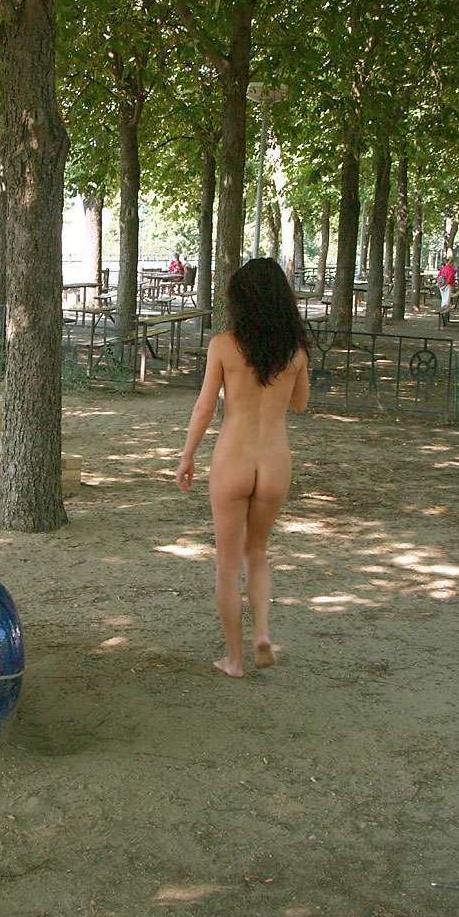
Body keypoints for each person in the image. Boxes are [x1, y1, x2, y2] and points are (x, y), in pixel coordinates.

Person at [175, 258, 310, 677]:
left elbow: (204, 407)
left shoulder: (223, 345)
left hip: (232, 459)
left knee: (227, 563)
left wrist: (187, 454)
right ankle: (262, 633)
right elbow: (300, 403)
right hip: (274, 461)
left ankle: (234, 659)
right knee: (258, 552)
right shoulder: (295, 352)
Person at [437, 252, 455, 325]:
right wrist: (446, 285)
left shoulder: (443, 268)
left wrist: (440, 285)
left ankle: (443, 315)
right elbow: (450, 278)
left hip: (441, 285)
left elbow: (438, 277)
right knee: (447, 302)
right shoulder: (450, 269)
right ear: (451, 262)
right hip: (447, 286)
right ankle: (444, 316)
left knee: (444, 300)